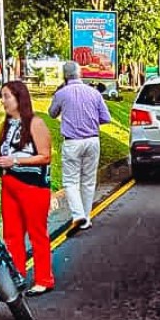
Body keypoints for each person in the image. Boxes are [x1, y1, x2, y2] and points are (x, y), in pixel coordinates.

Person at [0, 81, 55, 296]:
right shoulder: (5, 126)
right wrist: (0, 160)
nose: (3, 101)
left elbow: (45, 156)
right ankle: (17, 274)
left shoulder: (35, 123)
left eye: (6, 96)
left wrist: (16, 161)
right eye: (2, 96)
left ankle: (43, 278)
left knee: (37, 233)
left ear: (19, 98)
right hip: (9, 184)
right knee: (12, 234)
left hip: (33, 186)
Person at [49, 61, 112, 235]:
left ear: (64, 76)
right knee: (88, 182)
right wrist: (90, 121)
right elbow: (106, 118)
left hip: (72, 142)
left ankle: (78, 216)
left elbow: (52, 114)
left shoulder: (61, 93)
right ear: (80, 74)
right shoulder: (94, 93)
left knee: (70, 182)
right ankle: (86, 219)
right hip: (92, 140)